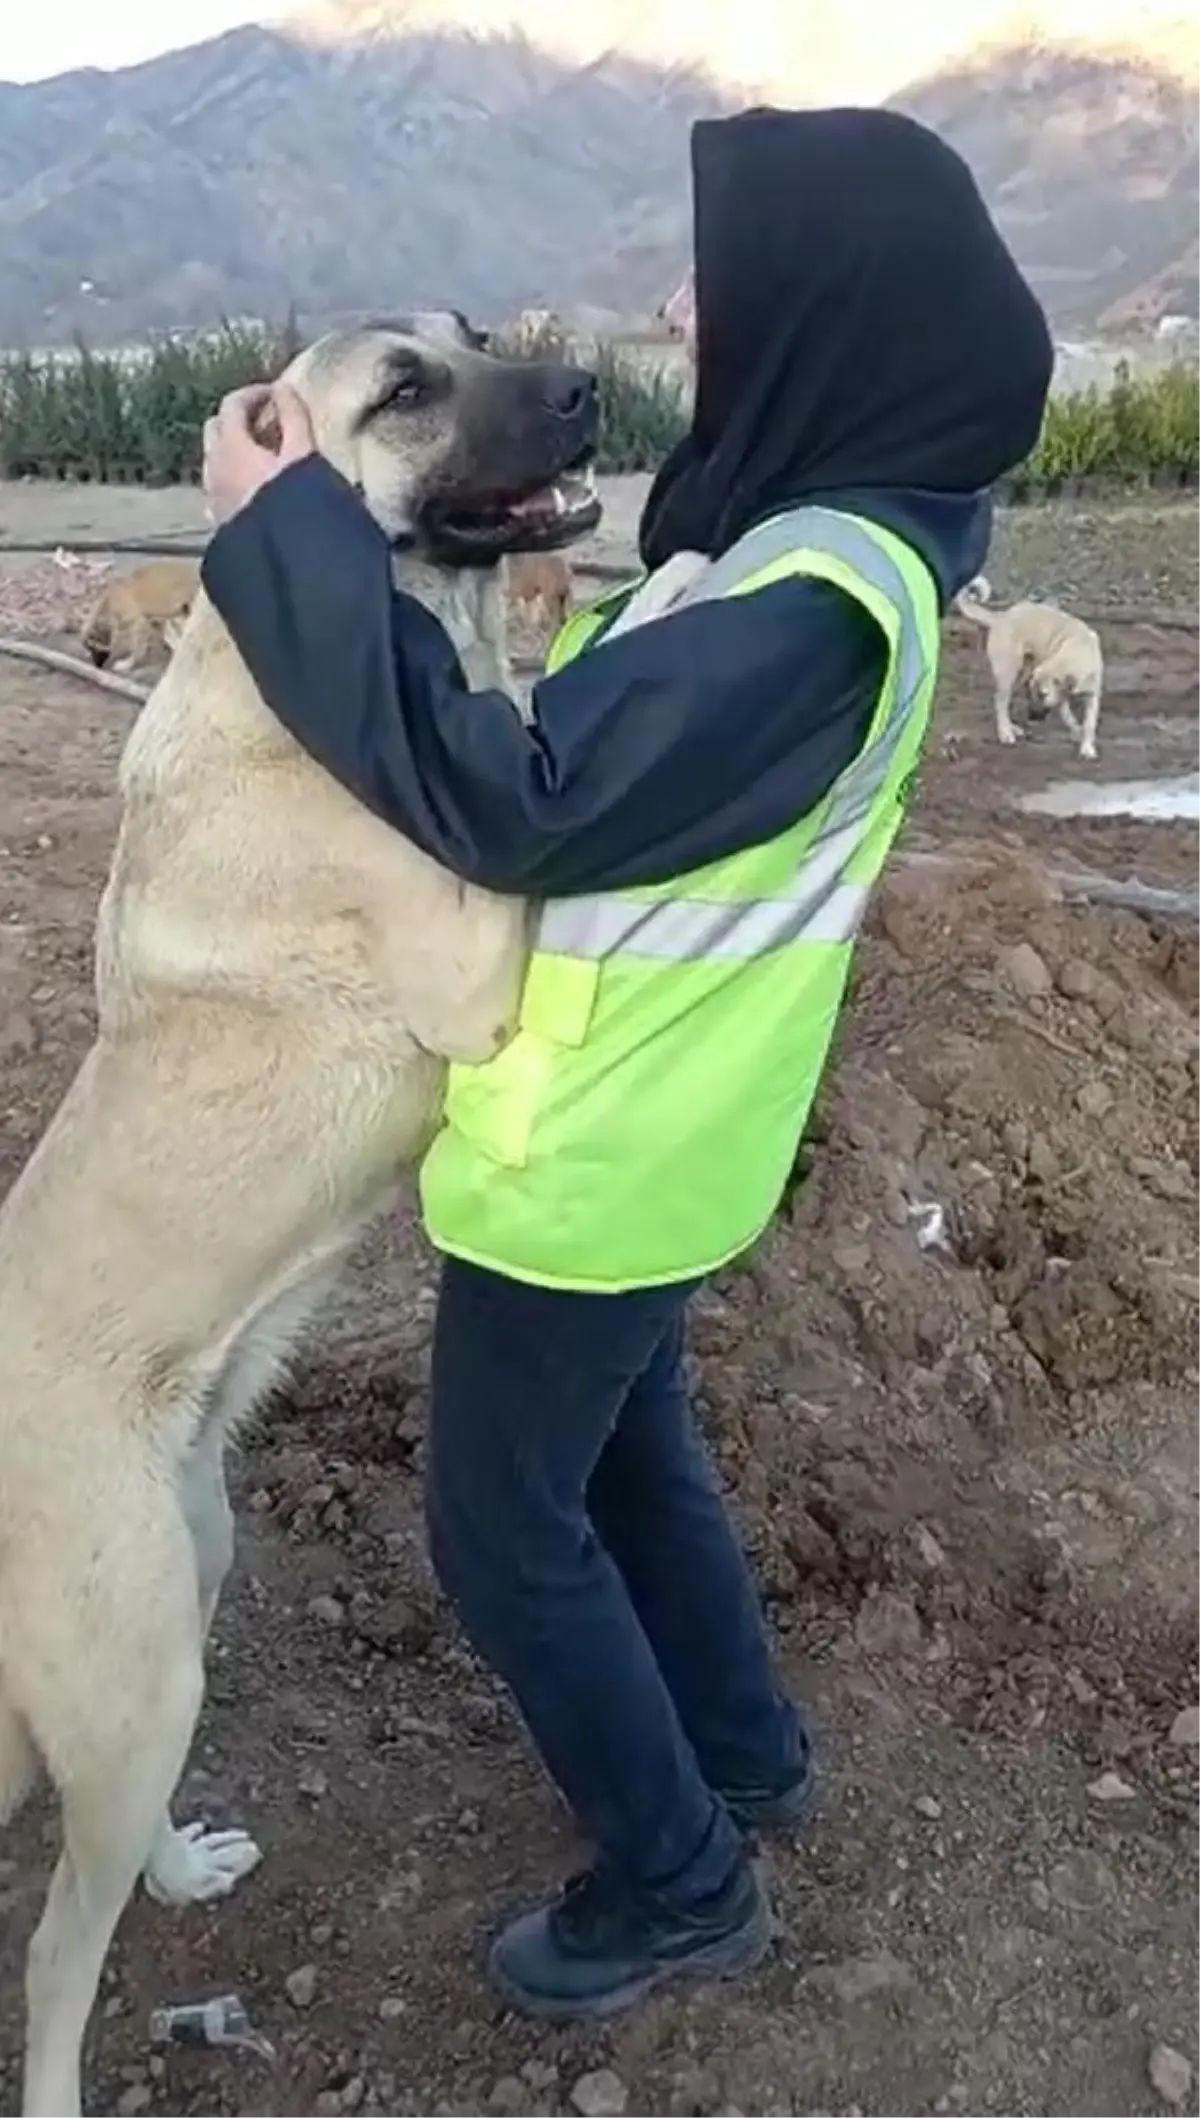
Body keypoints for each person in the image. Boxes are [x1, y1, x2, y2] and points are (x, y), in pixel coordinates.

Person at [199, 105, 1053, 2021]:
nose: (685, 307)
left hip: (590, 1155)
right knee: (636, 1457)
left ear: (824, 312)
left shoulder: (808, 615)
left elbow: (509, 798)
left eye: (721, 280)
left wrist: (284, 541)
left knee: (503, 1535)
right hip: (666, 1140)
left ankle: (681, 1879)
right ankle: (748, 1750)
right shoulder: (826, 543)